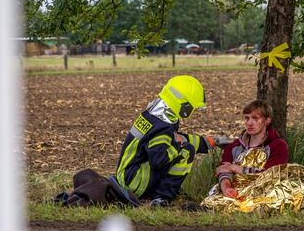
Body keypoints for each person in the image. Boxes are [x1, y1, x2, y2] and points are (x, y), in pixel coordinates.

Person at [58, 75, 221, 207]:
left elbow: (172, 140)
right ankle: (162, 199)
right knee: (187, 151)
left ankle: (158, 193)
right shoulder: (164, 126)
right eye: (192, 107)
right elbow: (159, 160)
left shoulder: (155, 114)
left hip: (125, 175)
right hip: (134, 182)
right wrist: (181, 147)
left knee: (181, 146)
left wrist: (208, 142)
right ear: (183, 104)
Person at [202, 99, 289, 202]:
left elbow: (269, 174)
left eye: (255, 118)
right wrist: (226, 188)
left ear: (267, 121)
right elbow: (224, 171)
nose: (249, 123)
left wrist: (233, 167)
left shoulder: (278, 146)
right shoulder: (234, 146)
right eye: (247, 118)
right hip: (236, 191)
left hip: (264, 193)